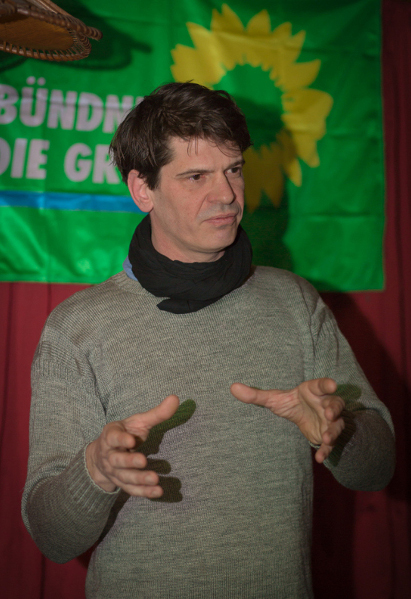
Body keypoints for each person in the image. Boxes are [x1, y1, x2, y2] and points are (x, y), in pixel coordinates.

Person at [22, 82, 395, 599]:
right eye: (196, 176)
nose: (226, 195)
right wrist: (95, 471)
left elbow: (379, 468)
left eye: (233, 170)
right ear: (142, 189)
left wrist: (341, 431)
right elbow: (51, 536)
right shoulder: (77, 328)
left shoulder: (295, 302)